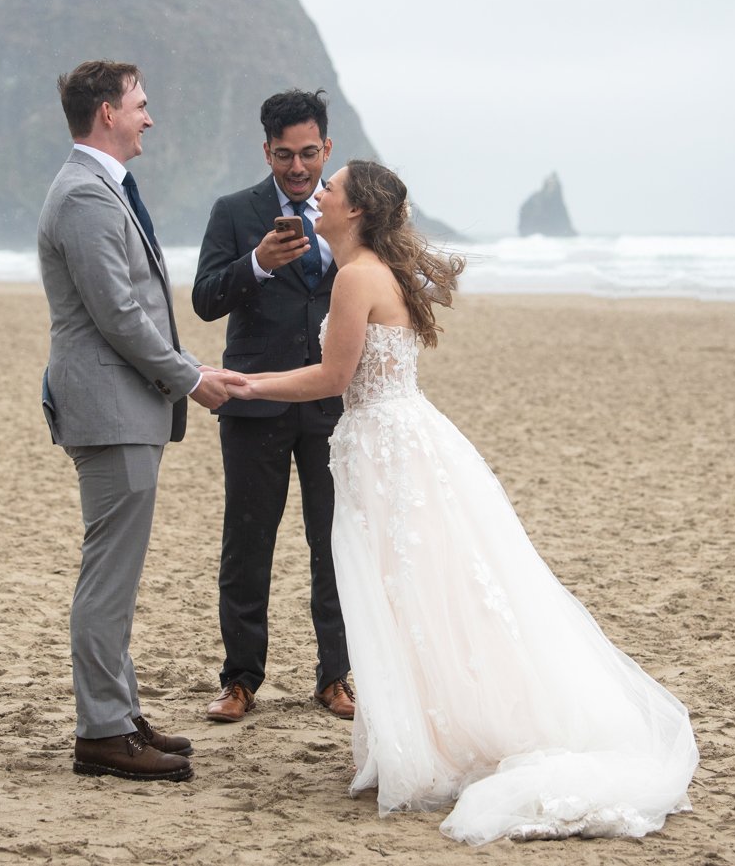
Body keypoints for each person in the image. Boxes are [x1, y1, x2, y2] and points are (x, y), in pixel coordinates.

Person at [229, 160, 699, 843]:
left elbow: (333, 376)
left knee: (408, 592)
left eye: (331, 186)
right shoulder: (373, 269)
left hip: (387, 451)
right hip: (398, 442)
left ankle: (436, 740)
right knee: (420, 591)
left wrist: (247, 385)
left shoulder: (357, 275)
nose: (318, 192)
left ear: (355, 210)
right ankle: (425, 732)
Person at [37, 59, 240, 783]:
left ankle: (118, 714)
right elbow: (118, 312)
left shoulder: (97, 187)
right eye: (140, 105)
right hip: (111, 409)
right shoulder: (86, 196)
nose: (149, 117)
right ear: (106, 114)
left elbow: (128, 309)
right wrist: (190, 377)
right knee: (108, 578)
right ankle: (101, 731)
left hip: (122, 406)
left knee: (114, 574)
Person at [191, 90, 353, 723]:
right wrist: (255, 264)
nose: (297, 167)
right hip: (252, 404)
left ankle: (335, 676)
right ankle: (240, 680)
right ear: (266, 150)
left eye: (309, 154)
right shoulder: (234, 212)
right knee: (248, 545)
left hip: (333, 407)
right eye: (284, 155)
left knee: (335, 544)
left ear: (327, 149)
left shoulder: (347, 212)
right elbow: (205, 298)